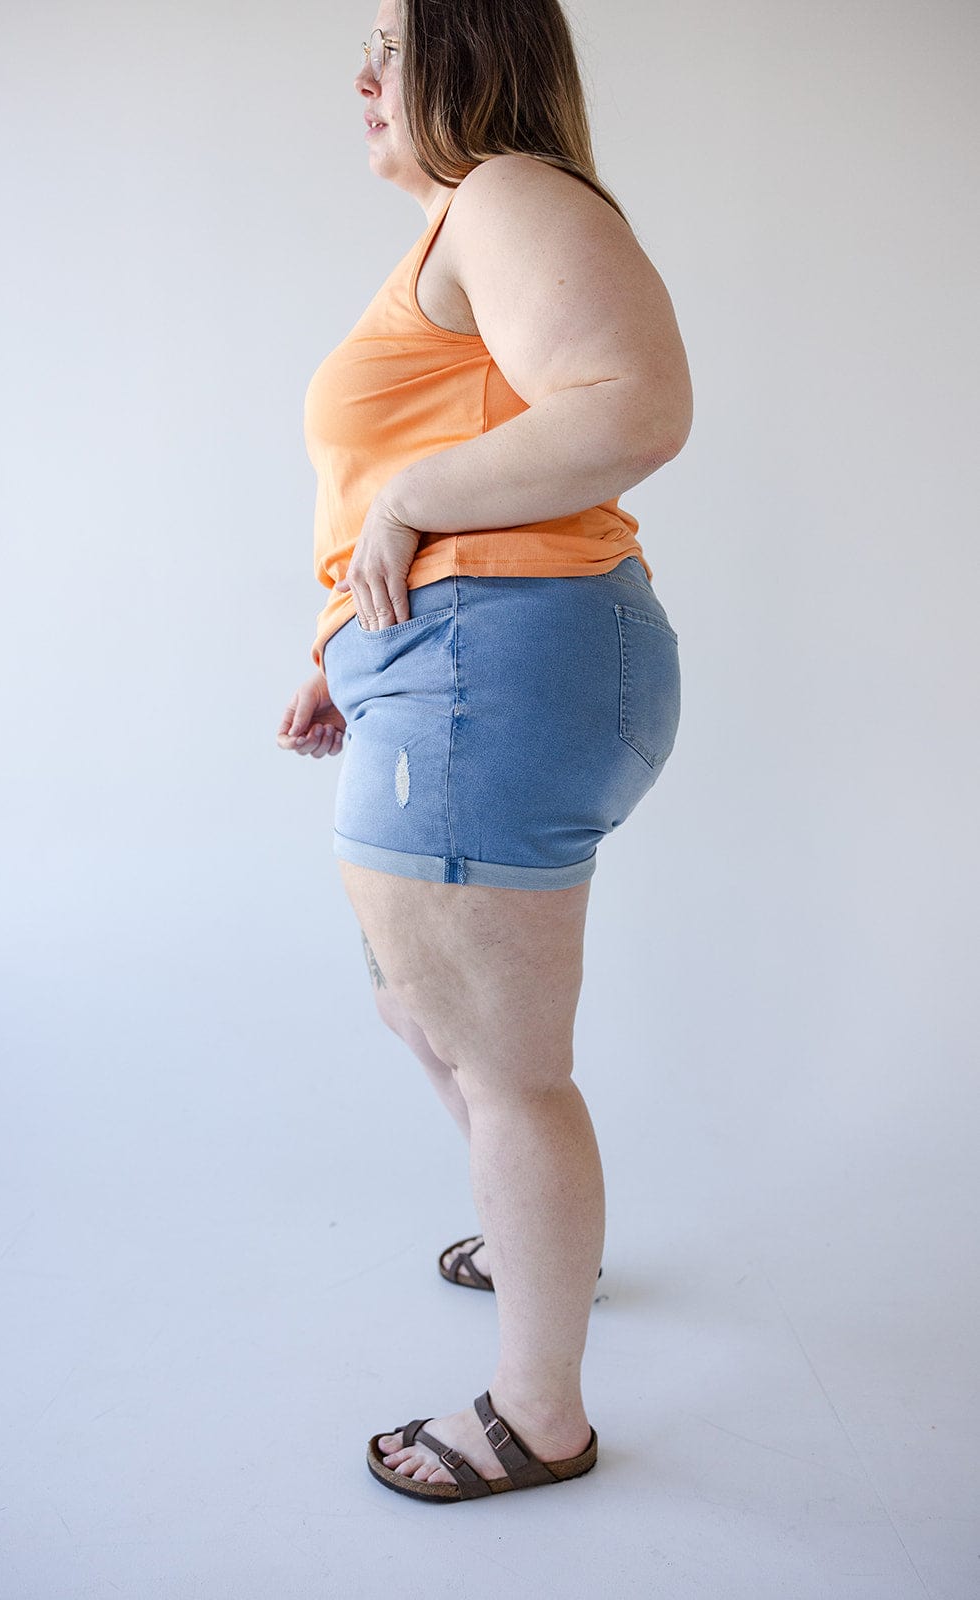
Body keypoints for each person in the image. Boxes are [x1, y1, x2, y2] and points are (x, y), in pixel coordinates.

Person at [276, 0, 692, 1503]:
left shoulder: (508, 191)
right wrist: (343, 645)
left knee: (507, 1063)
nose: (365, 75)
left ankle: (539, 1414)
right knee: (418, 1005)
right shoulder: (464, 225)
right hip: (464, 664)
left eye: (392, 41)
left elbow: (633, 404)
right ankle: (543, 1247)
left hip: (492, 659)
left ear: (476, 50)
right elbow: (441, 468)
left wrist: (404, 514)